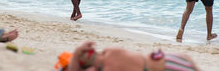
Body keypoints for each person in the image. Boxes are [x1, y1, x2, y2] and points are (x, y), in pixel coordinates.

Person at [68, 41, 199, 71]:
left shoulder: (107, 52)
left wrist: (79, 52)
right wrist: (77, 53)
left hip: (166, 60)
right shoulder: (101, 68)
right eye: (82, 55)